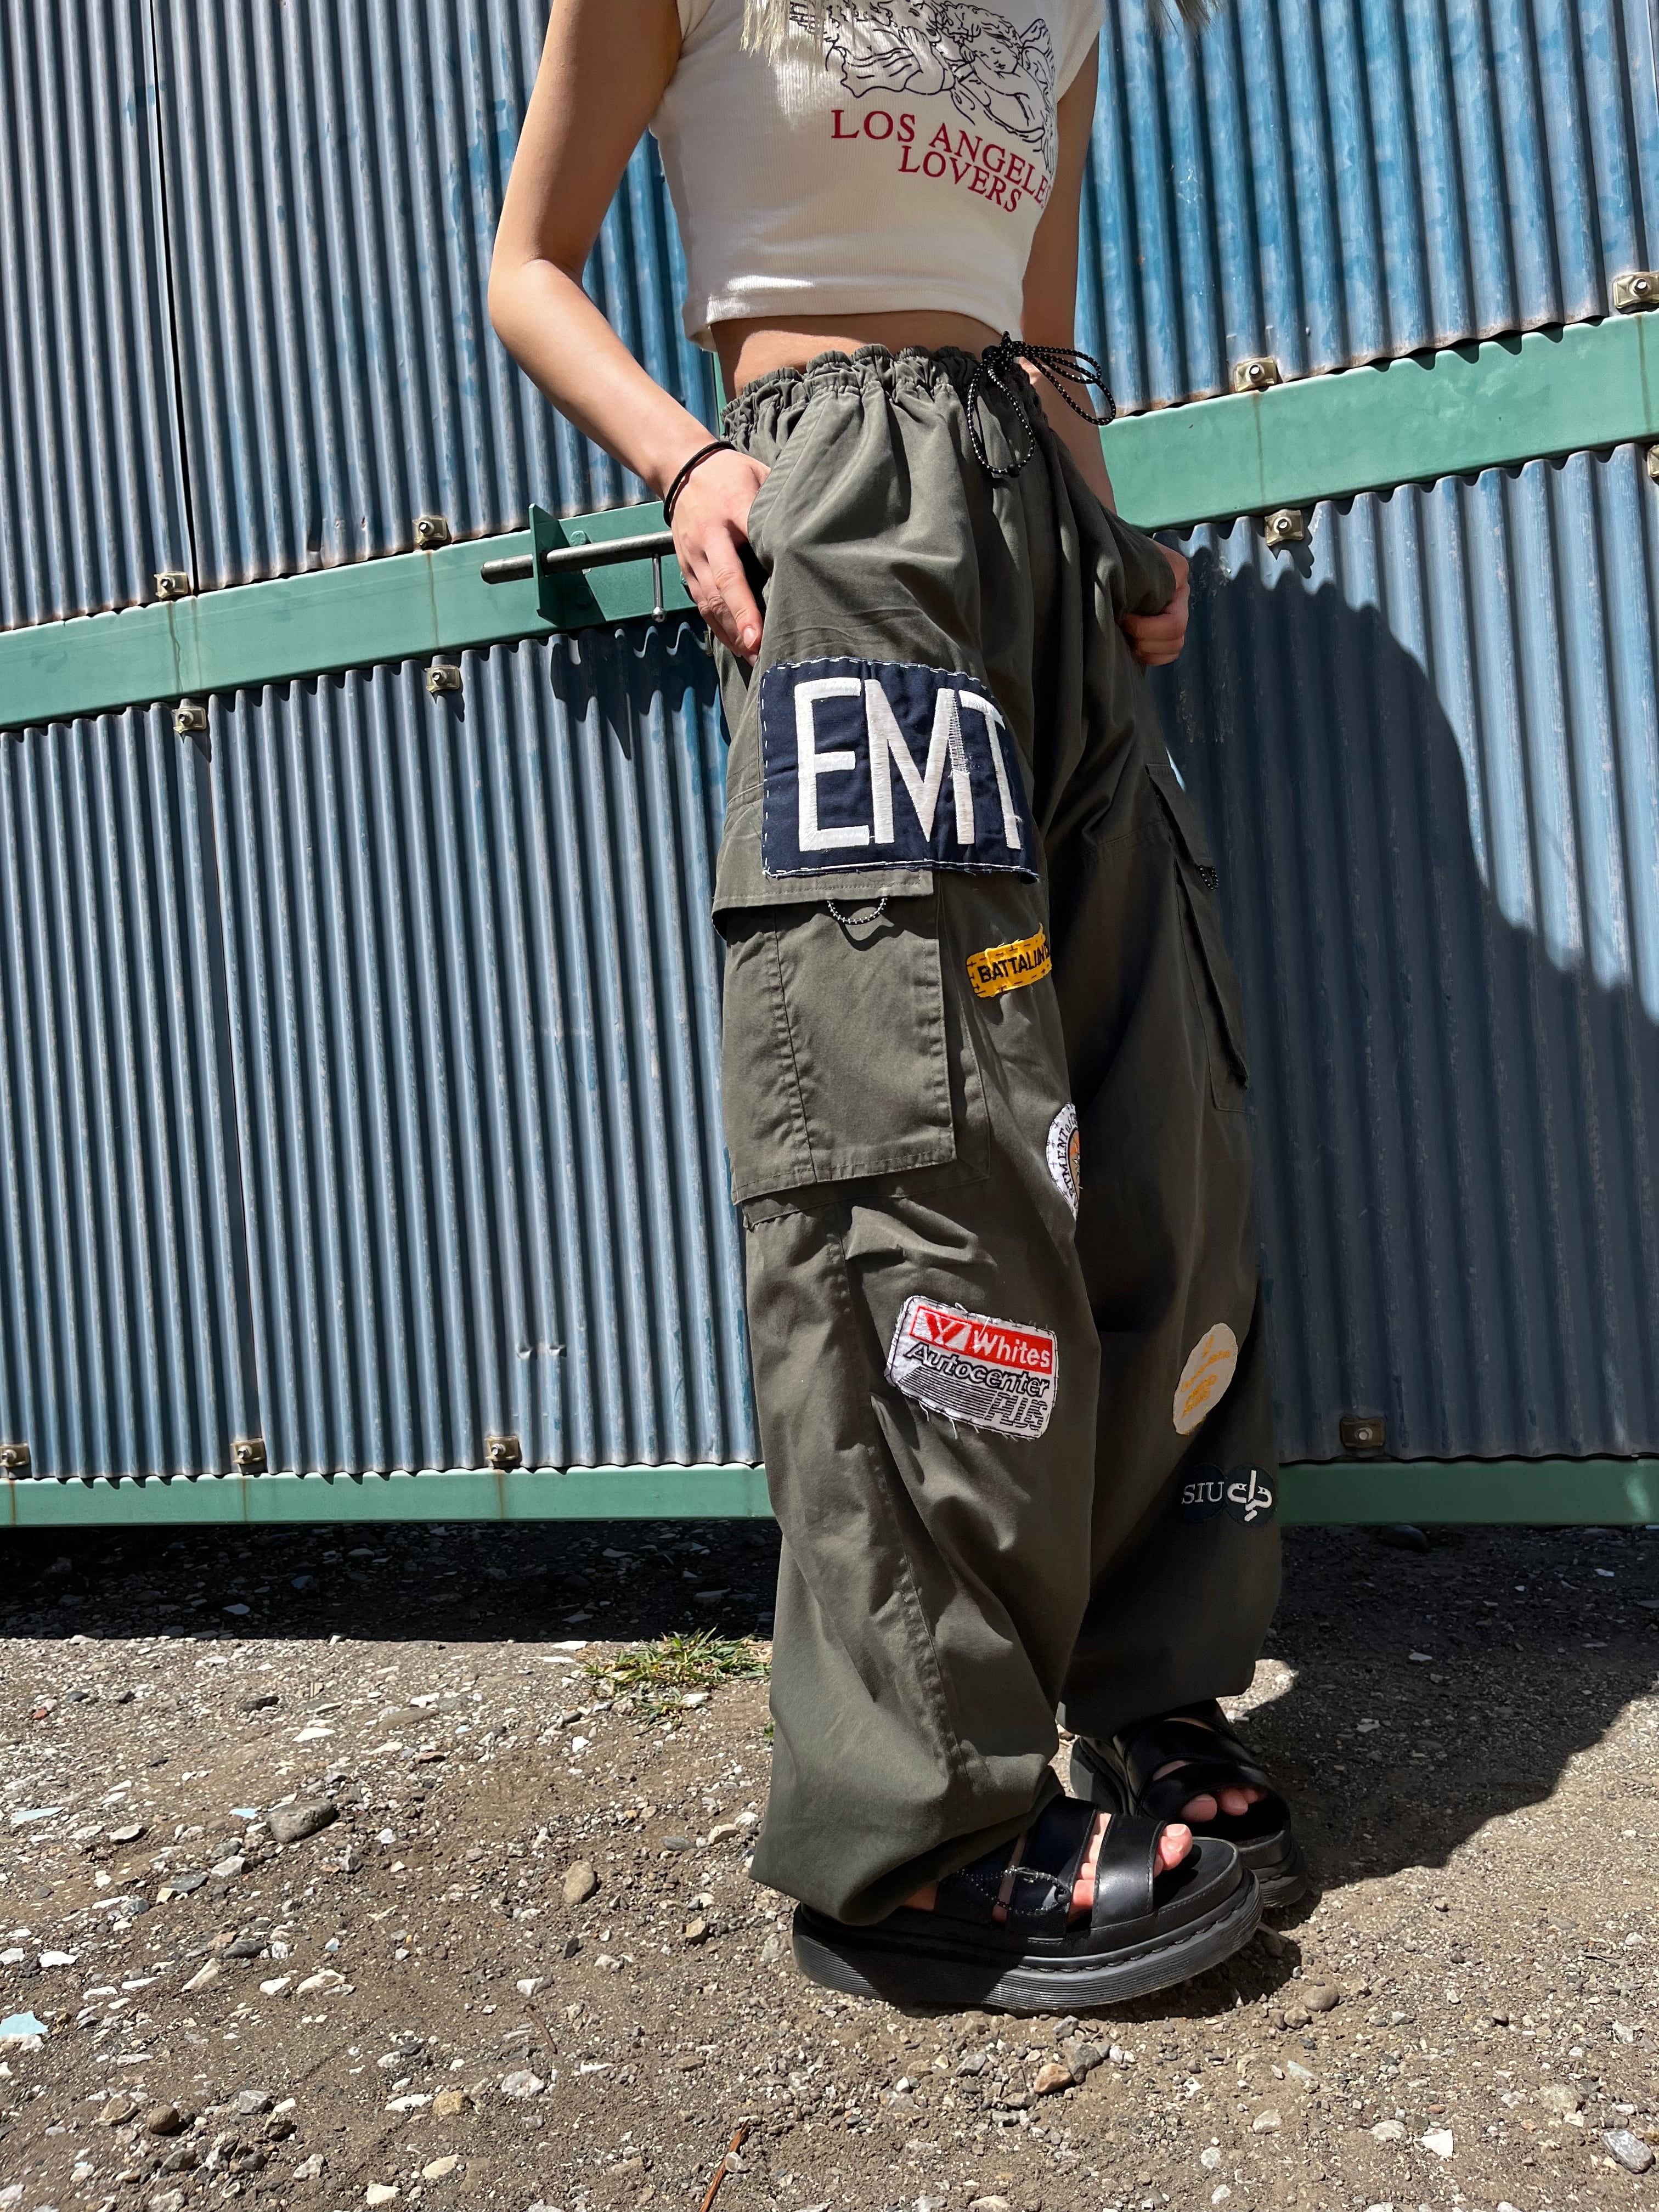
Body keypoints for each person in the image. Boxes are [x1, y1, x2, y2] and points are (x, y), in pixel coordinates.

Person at [490, 0, 1302, 2012]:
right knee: (911, 1121)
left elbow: (1040, 331)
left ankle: (1138, 1680)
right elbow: (530, 267)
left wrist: (1109, 523)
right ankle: (920, 1826)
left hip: (1039, 519)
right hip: (843, 505)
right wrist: (692, 464)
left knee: (1150, 1110)